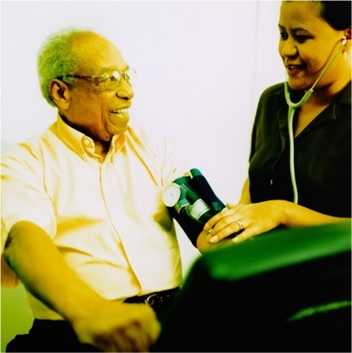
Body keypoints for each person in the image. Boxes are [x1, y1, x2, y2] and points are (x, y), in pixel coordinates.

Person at [1, 29, 184, 352]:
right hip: (77, 334)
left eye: (126, 76)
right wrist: (90, 311)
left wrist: (235, 228)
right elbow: (22, 238)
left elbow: (203, 213)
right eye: (110, 79)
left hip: (170, 323)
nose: (128, 92)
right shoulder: (24, 162)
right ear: (61, 93)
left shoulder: (153, 146)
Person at [197, 0, 351, 252]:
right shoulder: (272, 102)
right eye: (283, 34)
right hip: (263, 276)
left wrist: (282, 212)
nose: (286, 50)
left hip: (333, 284)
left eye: (301, 37)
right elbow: (256, 178)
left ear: (347, 35)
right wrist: (235, 224)